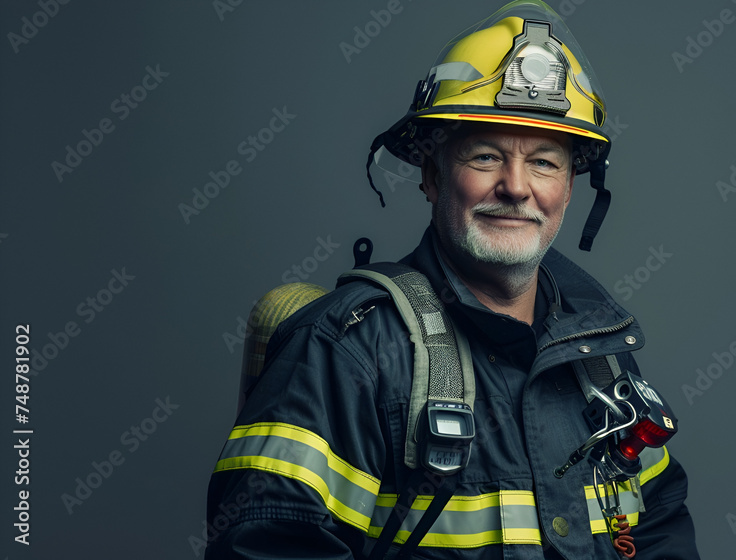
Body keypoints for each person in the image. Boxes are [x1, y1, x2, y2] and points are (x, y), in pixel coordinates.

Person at [205, 1, 700, 558]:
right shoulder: (349, 353)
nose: (516, 187)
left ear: (569, 187)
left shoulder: (602, 362)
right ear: (433, 176)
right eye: (486, 156)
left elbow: (658, 530)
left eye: (543, 162)